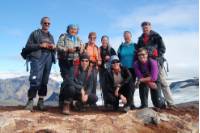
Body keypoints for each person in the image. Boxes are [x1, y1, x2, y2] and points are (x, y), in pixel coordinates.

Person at [136, 21, 175, 107]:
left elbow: (163, 48)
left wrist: (156, 57)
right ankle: (146, 104)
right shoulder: (140, 39)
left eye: (147, 26)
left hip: (156, 62)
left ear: (150, 27)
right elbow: (138, 50)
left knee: (162, 82)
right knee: (146, 82)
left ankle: (170, 103)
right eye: (143, 27)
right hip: (145, 63)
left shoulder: (156, 36)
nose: (145, 28)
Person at [25, 17, 56, 111]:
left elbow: (54, 49)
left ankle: (41, 101)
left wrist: (53, 47)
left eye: (48, 23)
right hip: (37, 57)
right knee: (35, 78)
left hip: (49, 58)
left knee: (44, 80)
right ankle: (30, 101)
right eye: (45, 23)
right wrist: (40, 45)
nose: (47, 25)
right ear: (41, 23)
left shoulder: (51, 36)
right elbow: (28, 46)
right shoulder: (35, 33)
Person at [57, 24, 84, 108]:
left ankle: (63, 100)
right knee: (68, 80)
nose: (73, 30)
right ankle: (66, 102)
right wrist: (68, 50)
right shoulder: (64, 37)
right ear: (68, 29)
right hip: (64, 61)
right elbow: (58, 46)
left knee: (68, 80)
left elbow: (82, 46)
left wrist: (81, 49)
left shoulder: (78, 38)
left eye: (75, 29)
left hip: (74, 62)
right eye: (71, 29)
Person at [117, 31, 136, 108]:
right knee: (125, 85)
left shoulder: (134, 45)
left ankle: (131, 103)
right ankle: (127, 103)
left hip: (133, 68)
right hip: (123, 69)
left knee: (131, 86)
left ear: (131, 36)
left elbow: (138, 56)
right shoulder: (121, 46)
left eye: (128, 36)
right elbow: (118, 56)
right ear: (123, 37)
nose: (126, 37)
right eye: (125, 36)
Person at [99, 35, 116, 105]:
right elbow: (97, 57)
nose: (104, 41)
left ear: (108, 41)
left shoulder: (111, 49)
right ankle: (106, 102)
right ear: (101, 41)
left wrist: (110, 57)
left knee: (110, 85)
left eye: (106, 40)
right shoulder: (99, 49)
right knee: (103, 85)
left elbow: (116, 59)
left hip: (110, 70)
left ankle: (112, 101)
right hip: (102, 70)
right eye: (103, 40)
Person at [84, 32, 101, 100]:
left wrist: (99, 61)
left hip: (95, 67)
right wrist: (90, 59)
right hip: (87, 66)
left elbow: (99, 57)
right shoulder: (85, 46)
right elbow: (83, 55)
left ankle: (92, 100)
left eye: (94, 38)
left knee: (94, 82)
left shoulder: (96, 47)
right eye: (90, 37)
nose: (92, 39)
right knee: (86, 83)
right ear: (88, 38)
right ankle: (85, 99)